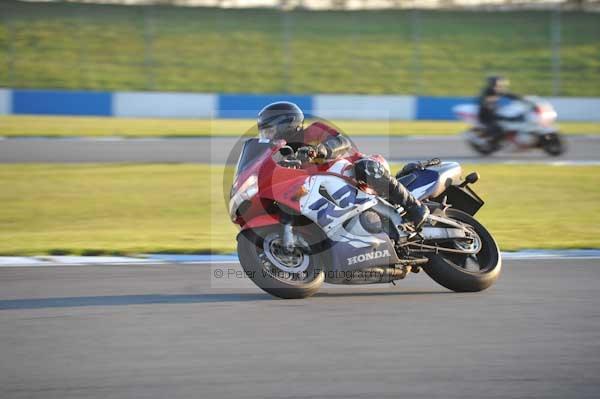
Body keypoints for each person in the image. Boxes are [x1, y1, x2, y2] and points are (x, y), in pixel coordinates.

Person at [256, 101, 430, 230]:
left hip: (356, 171)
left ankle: (415, 207)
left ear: (286, 124)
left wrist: (321, 150)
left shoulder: (313, 131)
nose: (268, 136)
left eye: (269, 130)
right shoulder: (284, 154)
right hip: (334, 191)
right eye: (264, 132)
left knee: (365, 167)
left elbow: (343, 141)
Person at [477, 76, 523, 145]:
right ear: (493, 83)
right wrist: (488, 102)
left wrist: (521, 98)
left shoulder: (498, 90)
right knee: (497, 126)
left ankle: (510, 138)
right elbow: (482, 100)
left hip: (495, 111)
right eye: (499, 83)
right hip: (485, 113)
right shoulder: (486, 91)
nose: (501, 85)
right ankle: (482, 138)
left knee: (511, 119)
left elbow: (510, 95)